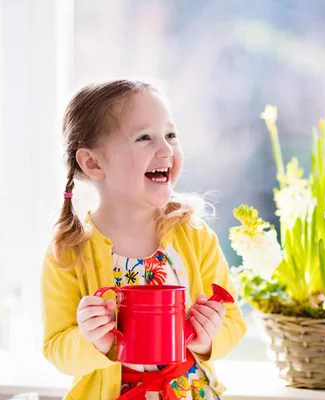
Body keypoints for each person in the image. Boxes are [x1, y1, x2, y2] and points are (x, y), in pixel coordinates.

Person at [40, 79, 246, 400]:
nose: (165, 149)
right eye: (144, 138)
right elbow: (56, 349)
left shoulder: (194, 236)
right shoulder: (68, 253)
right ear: (93, 163)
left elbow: (233, 320)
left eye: (171, 135)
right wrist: (92, 339)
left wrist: (207, 338)